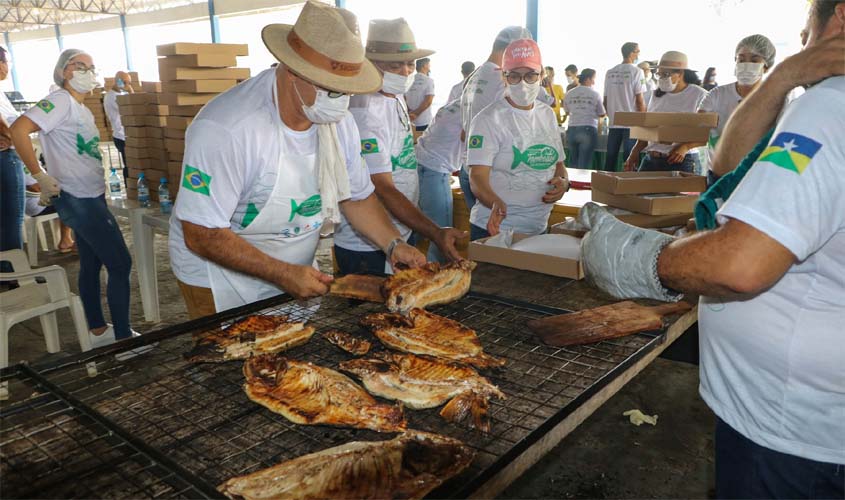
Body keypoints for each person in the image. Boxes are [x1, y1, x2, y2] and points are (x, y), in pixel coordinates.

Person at [578, 1, 845, 497]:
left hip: (795, 430)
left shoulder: (832, 106)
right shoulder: (810, 100)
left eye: (807, 31)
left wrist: (644, 259)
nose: (804, 42)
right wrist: (788, 73)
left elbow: (740, 266)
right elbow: (729, 160)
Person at [167, 2, 426, 317]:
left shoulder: (338, 119)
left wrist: (393, 244)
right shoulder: (227, 129)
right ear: (292, 70)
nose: (341, 101)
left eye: (347, 91)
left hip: (293, 266)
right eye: (332, 89)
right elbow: (201, 233)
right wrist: (282, 273)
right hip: (217, 275)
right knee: (229, 361)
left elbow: (357, 197)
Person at [10, 49, 141, 353]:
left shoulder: (80, 108)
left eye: (91, 67)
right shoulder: (59, 100)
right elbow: (19, 130)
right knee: (121, 263)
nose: (86, 71)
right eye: (77, 65)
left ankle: (97, 330)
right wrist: (38, 175)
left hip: (89, 194)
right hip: (78, 198)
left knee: (91, 263)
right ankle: (123, 339)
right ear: (62, 71)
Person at [332, 17, 464, 276]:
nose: (405, 72)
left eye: (410, 64)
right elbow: (382, 187)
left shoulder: (393, 96)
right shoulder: (365, 110)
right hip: (369, 244)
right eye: (395, 65)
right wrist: (434, 231)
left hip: (401, 230)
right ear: (371, 64)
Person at [466, 39, 569, 240]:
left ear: (542, 76)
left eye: (530, 75)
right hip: (496, 228)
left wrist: (564, 183)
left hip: (538, 228)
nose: (523, 84)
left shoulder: (547, 114)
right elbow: (477, 177)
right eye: (514, 76)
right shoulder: (487, 119)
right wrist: (495, 201)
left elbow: (559, 164)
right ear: (504, 77)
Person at [459, 25, 533, 212]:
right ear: (513, 50)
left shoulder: (475, 75)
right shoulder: (501, 78)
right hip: (489, 174)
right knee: (495, 236)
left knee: (482, 232)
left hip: (469, 166)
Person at [699, 34, 776, 185]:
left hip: (758, 176)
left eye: (754, 60)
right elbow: (698, 129)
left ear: (766, 66)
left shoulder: (777, 98)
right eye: (741, 59)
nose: (746, 64)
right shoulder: (717, 95)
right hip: (720, 176)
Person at [624, 51, 708, 173]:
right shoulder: (656, 95)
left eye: (666, 74)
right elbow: (648, 129)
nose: (662, 78)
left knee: (676, 193)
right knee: (641, 192)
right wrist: (635, 151)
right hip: (651, 159)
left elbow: (709, 133)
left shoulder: (700, 95)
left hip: (681, 161)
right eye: (659, 74)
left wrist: (685, 147)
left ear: (680, 73)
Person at [415, 98, 462, 263]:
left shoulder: (454, 103)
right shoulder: (475, 110)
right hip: (435, 170)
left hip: (418, 163)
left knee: (418, 225)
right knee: (442, 234)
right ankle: (435, 277)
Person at [0, 45, 26, 275]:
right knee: (12, 216)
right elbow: (4, 123)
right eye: (6, 62)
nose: (7, 68)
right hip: (4, 158)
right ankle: (12, 274)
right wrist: (10, 137)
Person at [603, 42, 647, 172]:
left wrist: (611, 116)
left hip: (614, 122)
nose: (638, 54)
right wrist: (644, 120)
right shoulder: (637, 71)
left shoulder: (610, 72)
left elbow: (605, 100)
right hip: (631, 123)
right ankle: (629, 187)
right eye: (638, 51)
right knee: (629, 158)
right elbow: (639, 100)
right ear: (632, 52)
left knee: (610, 158)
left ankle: (605, 185)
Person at [23, 167, 75, 250]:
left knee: (70, 196)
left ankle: (66, 239)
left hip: (38, 200)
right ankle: (66, 240)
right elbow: (36, 188)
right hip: (39, 204)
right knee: (72, 202)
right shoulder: (22, 163)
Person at [563, 69, 606, 169]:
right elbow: (602, 113)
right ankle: (581, 183)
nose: (594, 82)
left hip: (572, 129)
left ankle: (571, 183)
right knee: (584, 164)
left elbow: (567, 111)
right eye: (593, 79)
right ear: (587, 79)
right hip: (588, 129)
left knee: (573, 162)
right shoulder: (595, 94)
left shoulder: (569, 93)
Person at [103, 71, 134, 186]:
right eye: (125, 82)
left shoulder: (120, 95)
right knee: (129, 166)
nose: (127, 85)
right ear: (118, 81)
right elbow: (130, 109)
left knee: (132, 164)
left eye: (129, 83)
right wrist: (131, 92)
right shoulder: (112, 96)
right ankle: (130, 188)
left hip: (126, 134)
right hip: (121, 136)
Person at [405, 57, 435, 132]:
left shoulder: (409, 79)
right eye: (429, 65)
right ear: (424, 66)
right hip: (424, 121)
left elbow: (404, 98)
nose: (430, 67)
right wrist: (415, 114)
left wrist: (410, 113)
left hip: (409, 120)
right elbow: (428, 101)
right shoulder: (429, 80)